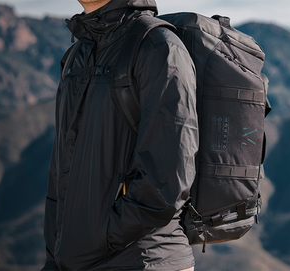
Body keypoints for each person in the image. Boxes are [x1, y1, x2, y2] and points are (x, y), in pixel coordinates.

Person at [42, 0, 198, 270]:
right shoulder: (77, 53)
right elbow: (61, 170)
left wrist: (101, 237)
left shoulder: (159, 47)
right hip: (72, 260)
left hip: (141, 259)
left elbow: (169, 177)